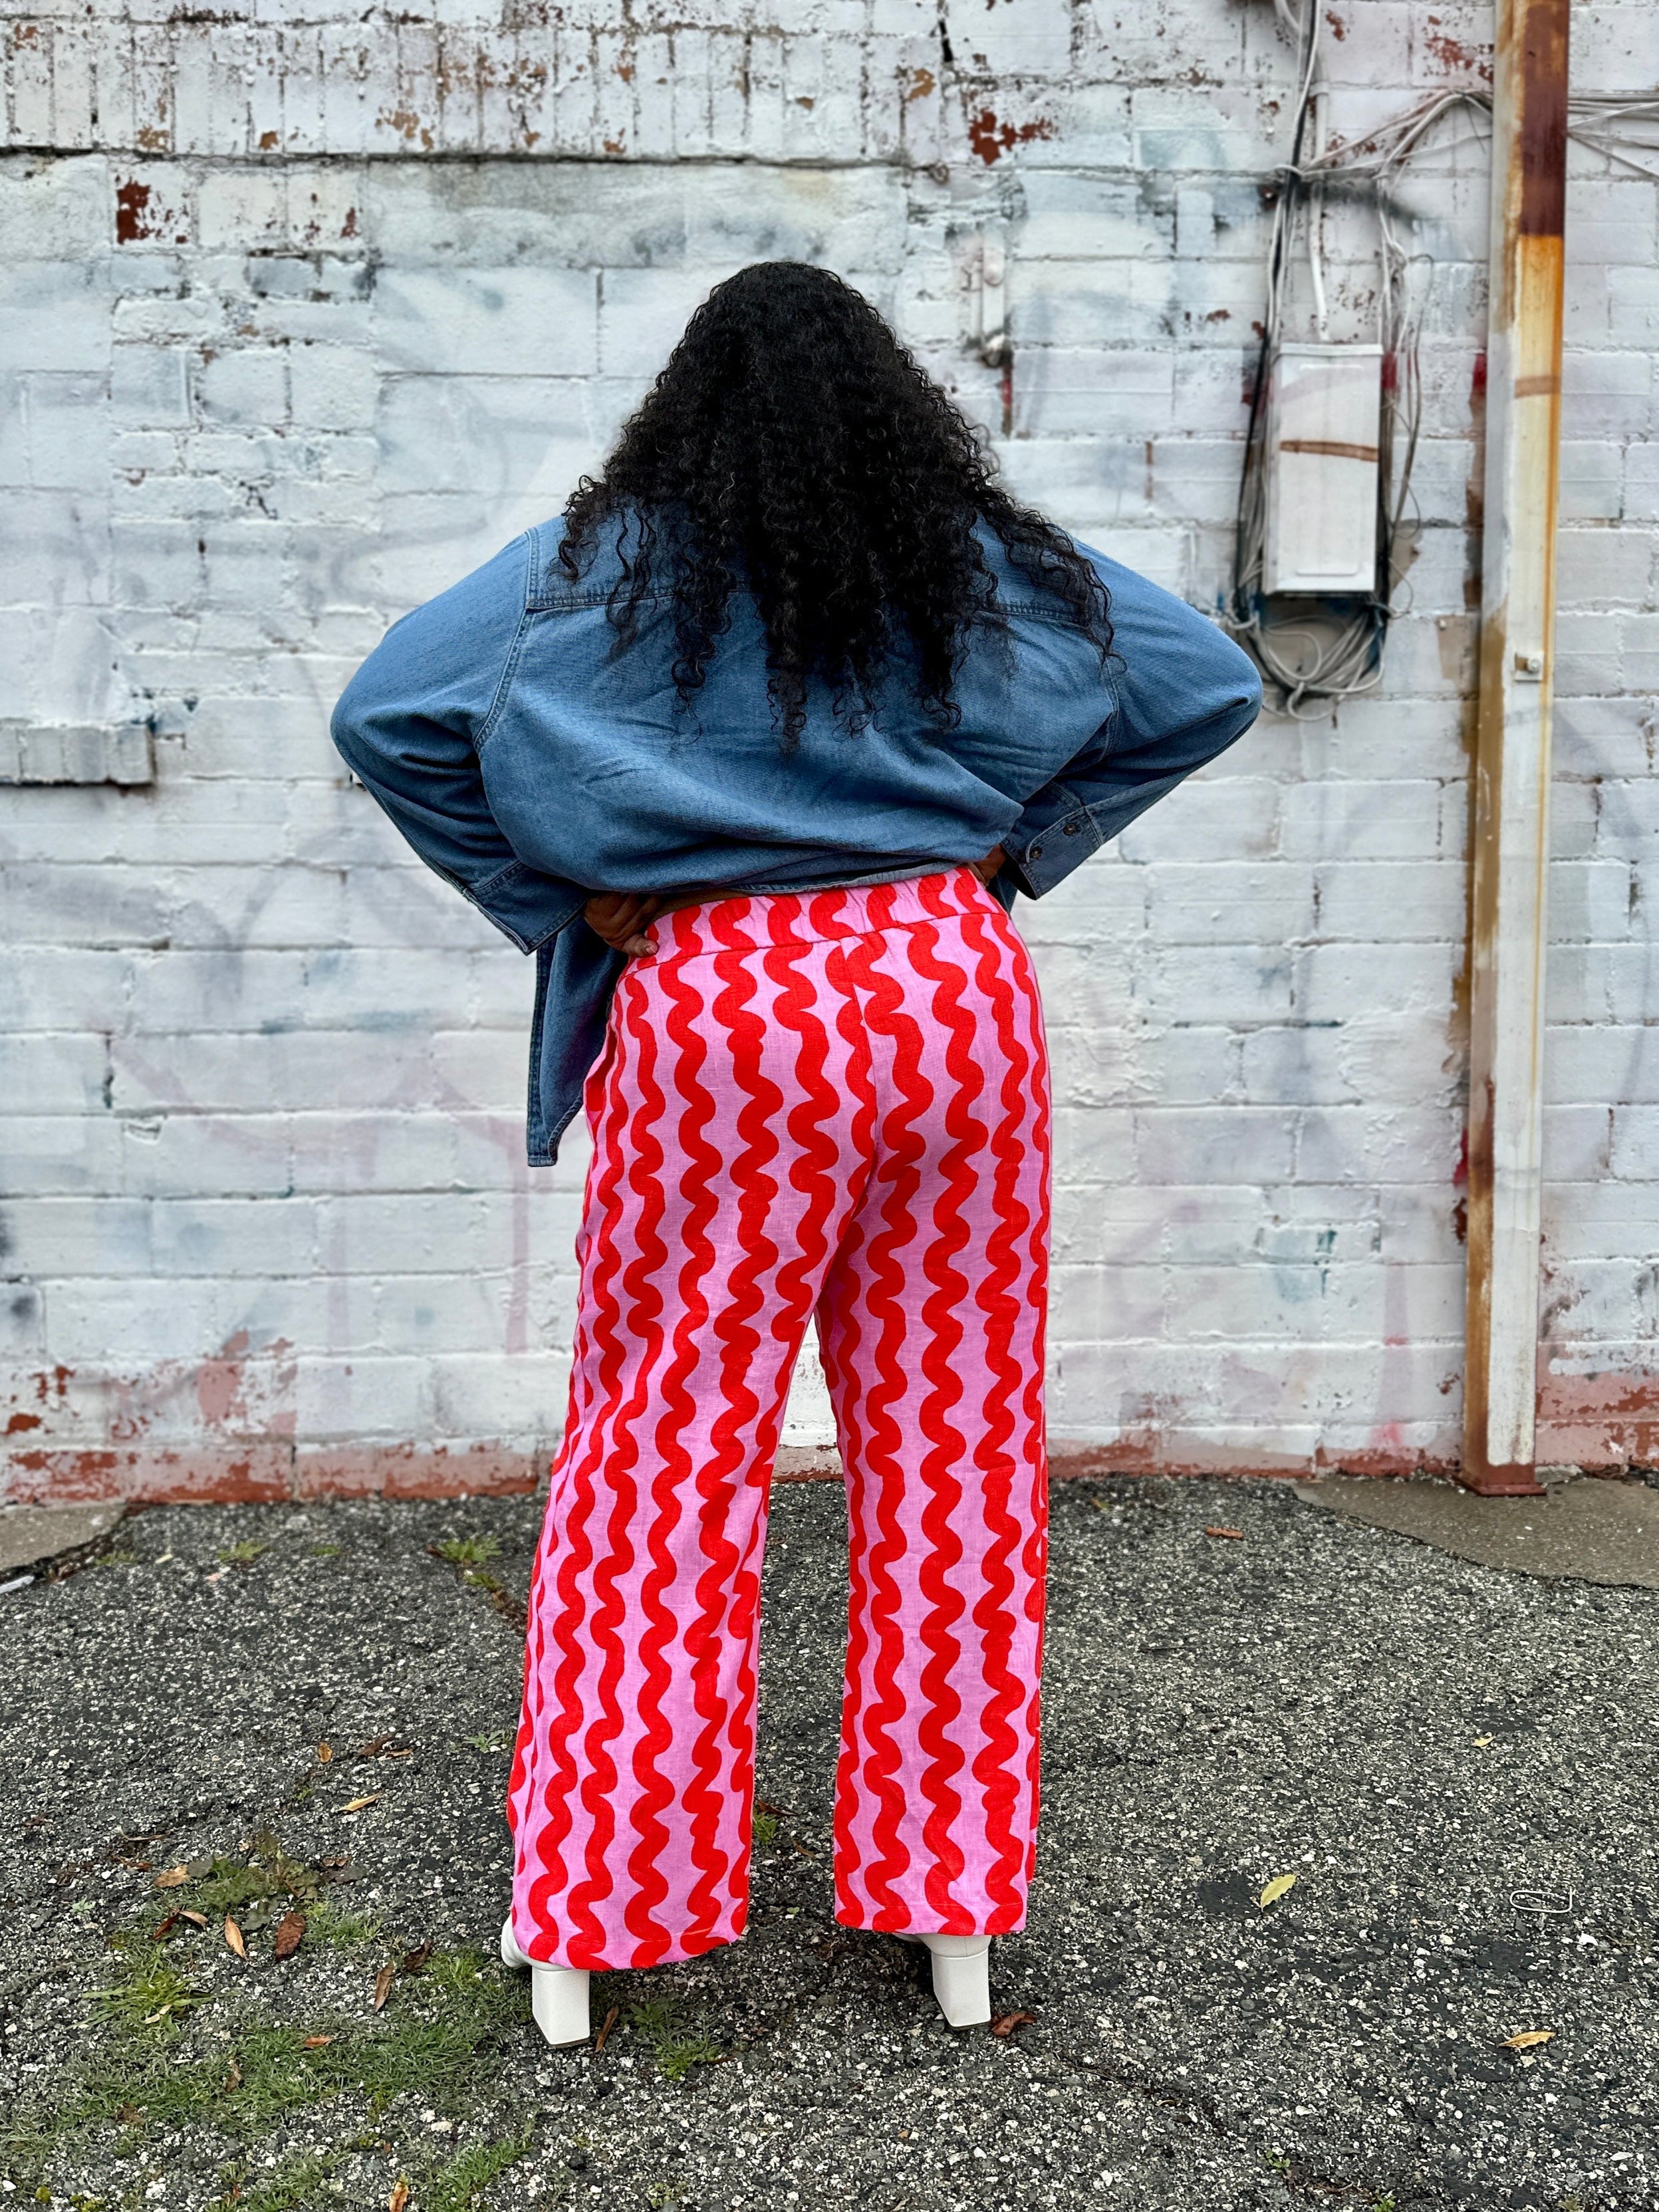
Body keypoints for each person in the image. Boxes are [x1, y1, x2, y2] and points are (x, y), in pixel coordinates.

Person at [331, 261, 1261, 2046]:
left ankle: (596, 1916)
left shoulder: (597, 573)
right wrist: (1011, 852)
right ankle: (950, 1904)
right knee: (954, 1447)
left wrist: (560, 891)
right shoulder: (976, 562)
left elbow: (389, 716)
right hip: (944, 992)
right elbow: (1203, 686)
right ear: (895, 408)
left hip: (718, 1007)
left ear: (684, 411)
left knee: (662, 1448)